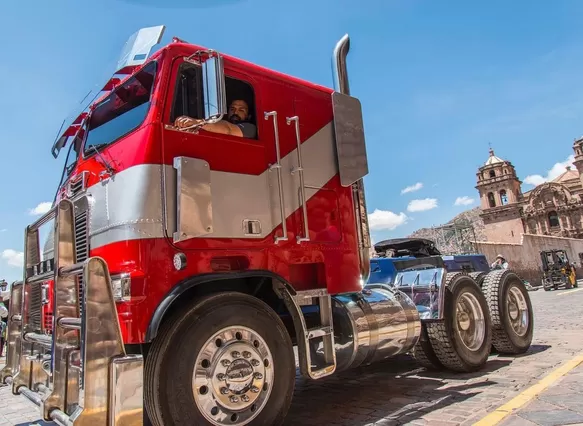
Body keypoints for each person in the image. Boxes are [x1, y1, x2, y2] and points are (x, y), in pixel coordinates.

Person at [174, 99, 257, 139]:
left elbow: (228, 129)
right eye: (232, 109)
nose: (235, 112)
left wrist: (196, 122)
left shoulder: (250, 129)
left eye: (241, 110)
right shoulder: (217, 126)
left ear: (248, 116)